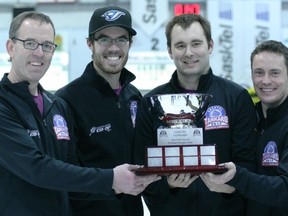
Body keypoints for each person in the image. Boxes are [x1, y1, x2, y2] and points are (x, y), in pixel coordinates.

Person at [0, 11, 159, 216]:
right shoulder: (5, 104)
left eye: (47, 45)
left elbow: (71, 175)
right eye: (30, 43)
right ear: (11, 48)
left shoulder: (55, 106)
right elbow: (37, 168)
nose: (39, 53)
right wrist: (111, 179)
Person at [133, 13, 257, 215]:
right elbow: (142, 166)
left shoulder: (236, 97)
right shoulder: (151, 103)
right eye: (180, 45)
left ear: (210, 45)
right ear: (170, 51)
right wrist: (168, 186)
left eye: (196, 43)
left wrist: (228, 186)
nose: (188, 52)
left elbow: (248, 163)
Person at [55, 6, 160, 216]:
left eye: (121, 39)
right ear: (90, 44)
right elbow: (64, 174)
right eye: (104, 39)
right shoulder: (67, 99)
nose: (114, 48)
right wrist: (112, 183)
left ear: (130, 44)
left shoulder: (134, 96)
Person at [201, 40, 288, 216]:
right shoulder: (250, 119)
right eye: (259, 72)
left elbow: (284, 190)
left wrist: (237, 176)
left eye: (275, 73)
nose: (265, 80)